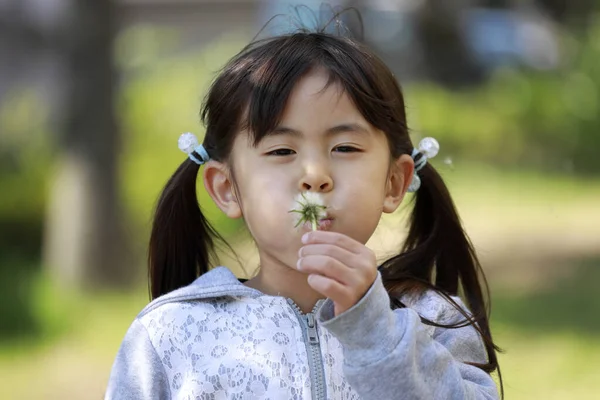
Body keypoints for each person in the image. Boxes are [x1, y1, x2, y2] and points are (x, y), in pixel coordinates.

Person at [105, 23, 502, 400]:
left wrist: (373, 329)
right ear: (227, 189)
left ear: (394, 182)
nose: (315, 176)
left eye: (345, 148)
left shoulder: (436, 321)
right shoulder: (169, 334)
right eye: (282, 151)